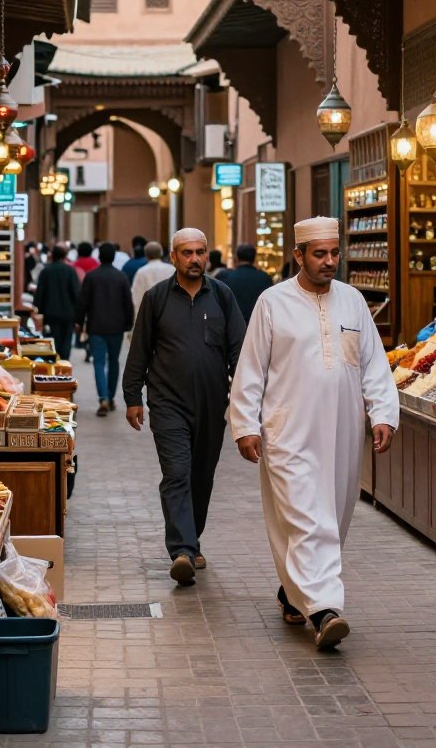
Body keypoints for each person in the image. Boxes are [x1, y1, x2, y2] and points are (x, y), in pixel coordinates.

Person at [228, 216, 399, 650]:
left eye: (334, 253)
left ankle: (292, 591)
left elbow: (374, 363)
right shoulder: (272, 302)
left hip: (342, 432)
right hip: (288, 431)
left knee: (335, 516)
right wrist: (245, 424)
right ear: (298, 255)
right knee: (308, 518)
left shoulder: (353, 301)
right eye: (319, 254)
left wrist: (383, 413)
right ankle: (324, 610)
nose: (329, 262)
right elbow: (251, 369)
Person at [123, 227, 246, 585]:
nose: (195, 259)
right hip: (167, 403)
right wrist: (133, 396)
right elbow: (140, 349)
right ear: (174, 257)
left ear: (208, 256)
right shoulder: (157, 297)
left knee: (201, 475)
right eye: (187, 253)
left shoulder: (222, 296)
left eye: (201, 252)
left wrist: (243, 394)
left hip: (211, 403)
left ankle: (192, 538)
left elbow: (239, 348)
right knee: (177, 473)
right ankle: (182, 550)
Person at [76, 242, 134, 416]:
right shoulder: (121, 277)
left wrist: (79, 322)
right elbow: (127, 303)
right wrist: (128, 323)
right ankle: (111, 396)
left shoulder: (91, 277)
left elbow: (83, 302)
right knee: (114, 362)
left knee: (99, 363)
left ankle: (103, 398)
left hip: (96, 326)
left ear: (99, 256)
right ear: (114, 257)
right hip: (116, 327)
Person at [32, 244, 80, 360]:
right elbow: (76, 293)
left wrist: (38, 308)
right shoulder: (70, 271)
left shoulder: (46, 271)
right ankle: (64, 363)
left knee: (52, 341)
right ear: (64, 256)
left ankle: (54, 362)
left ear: (52, 256)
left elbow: (40, 293)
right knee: (66, 340)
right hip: (68, 313)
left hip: (50, 313)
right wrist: (78, 314)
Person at [218, 242, 274, 324]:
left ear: (237, 258)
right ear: (254, 258)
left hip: (233, 326)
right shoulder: (265, 278)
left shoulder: (226, 277)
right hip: (258, 325)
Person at [131, 240, 175, 315]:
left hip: (149, 313)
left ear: (146, 254)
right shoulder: (172, 269)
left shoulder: (141, 272)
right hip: (169, 312)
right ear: (161, 253)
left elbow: (136, 297)